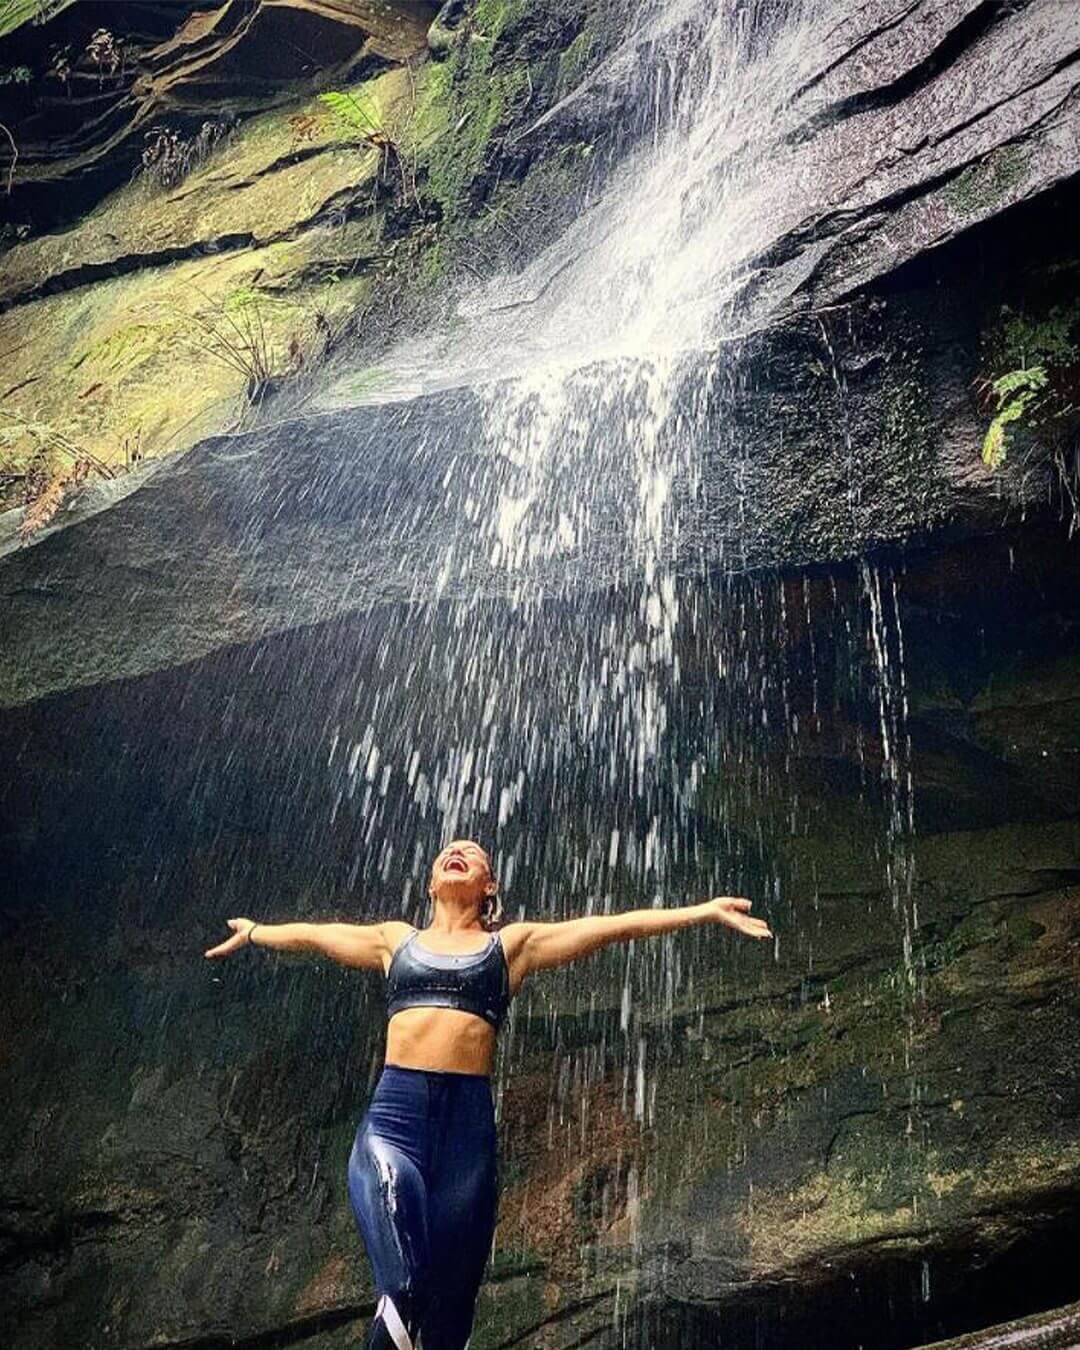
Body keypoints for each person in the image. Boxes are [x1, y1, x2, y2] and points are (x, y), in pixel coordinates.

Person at [204, 839, 773, 1349]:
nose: (458, 852)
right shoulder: (393, 940)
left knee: (451, 1320)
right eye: (448, 851)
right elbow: (315, 935)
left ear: (489, 885)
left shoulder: (511, 948)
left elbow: (611, 925)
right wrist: (255, 932)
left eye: (473, 854)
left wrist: (702, 911)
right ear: (430, 882)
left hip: (466, 1145)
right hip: (393, 1126)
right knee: (403, 1285)